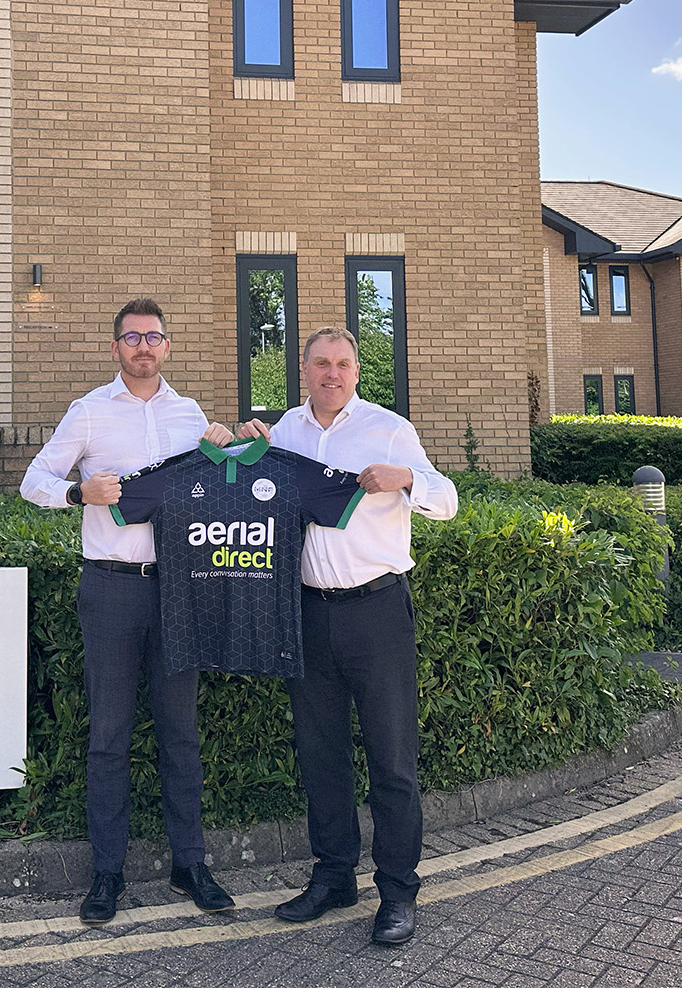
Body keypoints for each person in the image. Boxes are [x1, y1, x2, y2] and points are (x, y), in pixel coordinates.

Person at [19, 298, 236, 925]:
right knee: (110, 737)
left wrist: (223, 445)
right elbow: (34, 480)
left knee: (181, 735)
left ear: (167, 347)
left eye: (154, 337)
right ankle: (106, 872)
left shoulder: (189, 414)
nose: (144, 346)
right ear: (116, 348)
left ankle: (190, 863)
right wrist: (75, 491)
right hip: (110, 588)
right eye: (132, 337)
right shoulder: (88, 413)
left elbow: (213, 489)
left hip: (180, 588)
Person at [239, 326, 457, 945]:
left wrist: (407, 480)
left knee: (392, 759)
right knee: (320, 754)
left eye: (342, 364)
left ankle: (396, 892)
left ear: (357, 372)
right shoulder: (286, 431)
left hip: (377, 612)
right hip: (308, 611)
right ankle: (334, 876)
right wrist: (246, 443)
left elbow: (448, 500)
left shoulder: (389, 429)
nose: (332, 374)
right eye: (320, 364)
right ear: (303, 371)